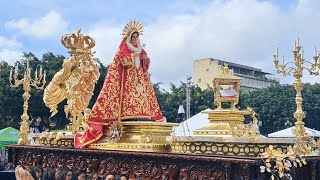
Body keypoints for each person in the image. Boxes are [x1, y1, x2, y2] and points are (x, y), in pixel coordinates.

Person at [75, 21, 163, 148]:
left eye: (137, 37)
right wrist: (133, 56)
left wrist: (144, 59)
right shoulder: (124, 47)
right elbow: (122, 59)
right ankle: (127, 114)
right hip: (127, 80)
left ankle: (142, 114)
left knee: (142, 97)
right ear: (129, 37)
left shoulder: (140, 48)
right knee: (129, 97)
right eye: (133, 37)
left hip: (139, 80)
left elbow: (146, 62)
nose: (135, 39)